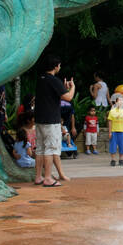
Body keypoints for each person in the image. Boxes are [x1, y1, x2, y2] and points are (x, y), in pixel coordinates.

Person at [34, 55, 75, 188]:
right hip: (51, 120)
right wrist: (72, 87)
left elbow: (54, 94)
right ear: (56, 66)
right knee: (50, 149)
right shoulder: (53, 80)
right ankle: (47, 178)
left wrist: (62, 88)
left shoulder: (40, 79)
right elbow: (68, 97)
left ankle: (38, 176)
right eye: (59, 65)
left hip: (39, 119)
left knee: (40, 148)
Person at [108, 91, 123, 167]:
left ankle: (121, 159)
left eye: (122, 101)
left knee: (122, 146)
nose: (121, 102)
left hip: (122, 132)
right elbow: (110, 122)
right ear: (116, 102)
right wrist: (110, 132)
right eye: (119, 100)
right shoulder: (112, 111)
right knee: (113, 146)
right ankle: (113, 160)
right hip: (114, 131)